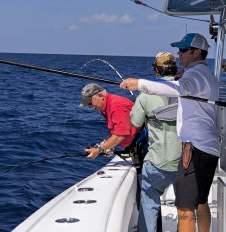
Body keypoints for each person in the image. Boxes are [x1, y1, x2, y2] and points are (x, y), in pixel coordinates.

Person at [120, 33, 220, 232]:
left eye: (183, 50)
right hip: (209, 147)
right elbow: (186, 86)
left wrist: (140, 84)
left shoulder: (194, 76)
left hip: (194, 150)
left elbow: (176, 89)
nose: (179, 53)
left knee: (184, 209)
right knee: (201, 201)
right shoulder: (207, 75)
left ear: (197, 52)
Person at [131, 52, 182, 232]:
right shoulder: (187, 89)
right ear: (176, 69)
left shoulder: (145, 95)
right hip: (184, 161)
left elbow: (135, 123)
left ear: (156, 71)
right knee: (184, 209)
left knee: (149, 202)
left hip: (156, 162)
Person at [79, 83, 140, 159]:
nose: (90, 106)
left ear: (101, 96)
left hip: (142, 145)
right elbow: (115, 128)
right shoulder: (105, 107)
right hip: (133, 145)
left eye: (90, 103)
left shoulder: (116, 106)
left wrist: (99, 150)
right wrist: (110, 147)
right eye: (88, 104)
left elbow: (120, 135)